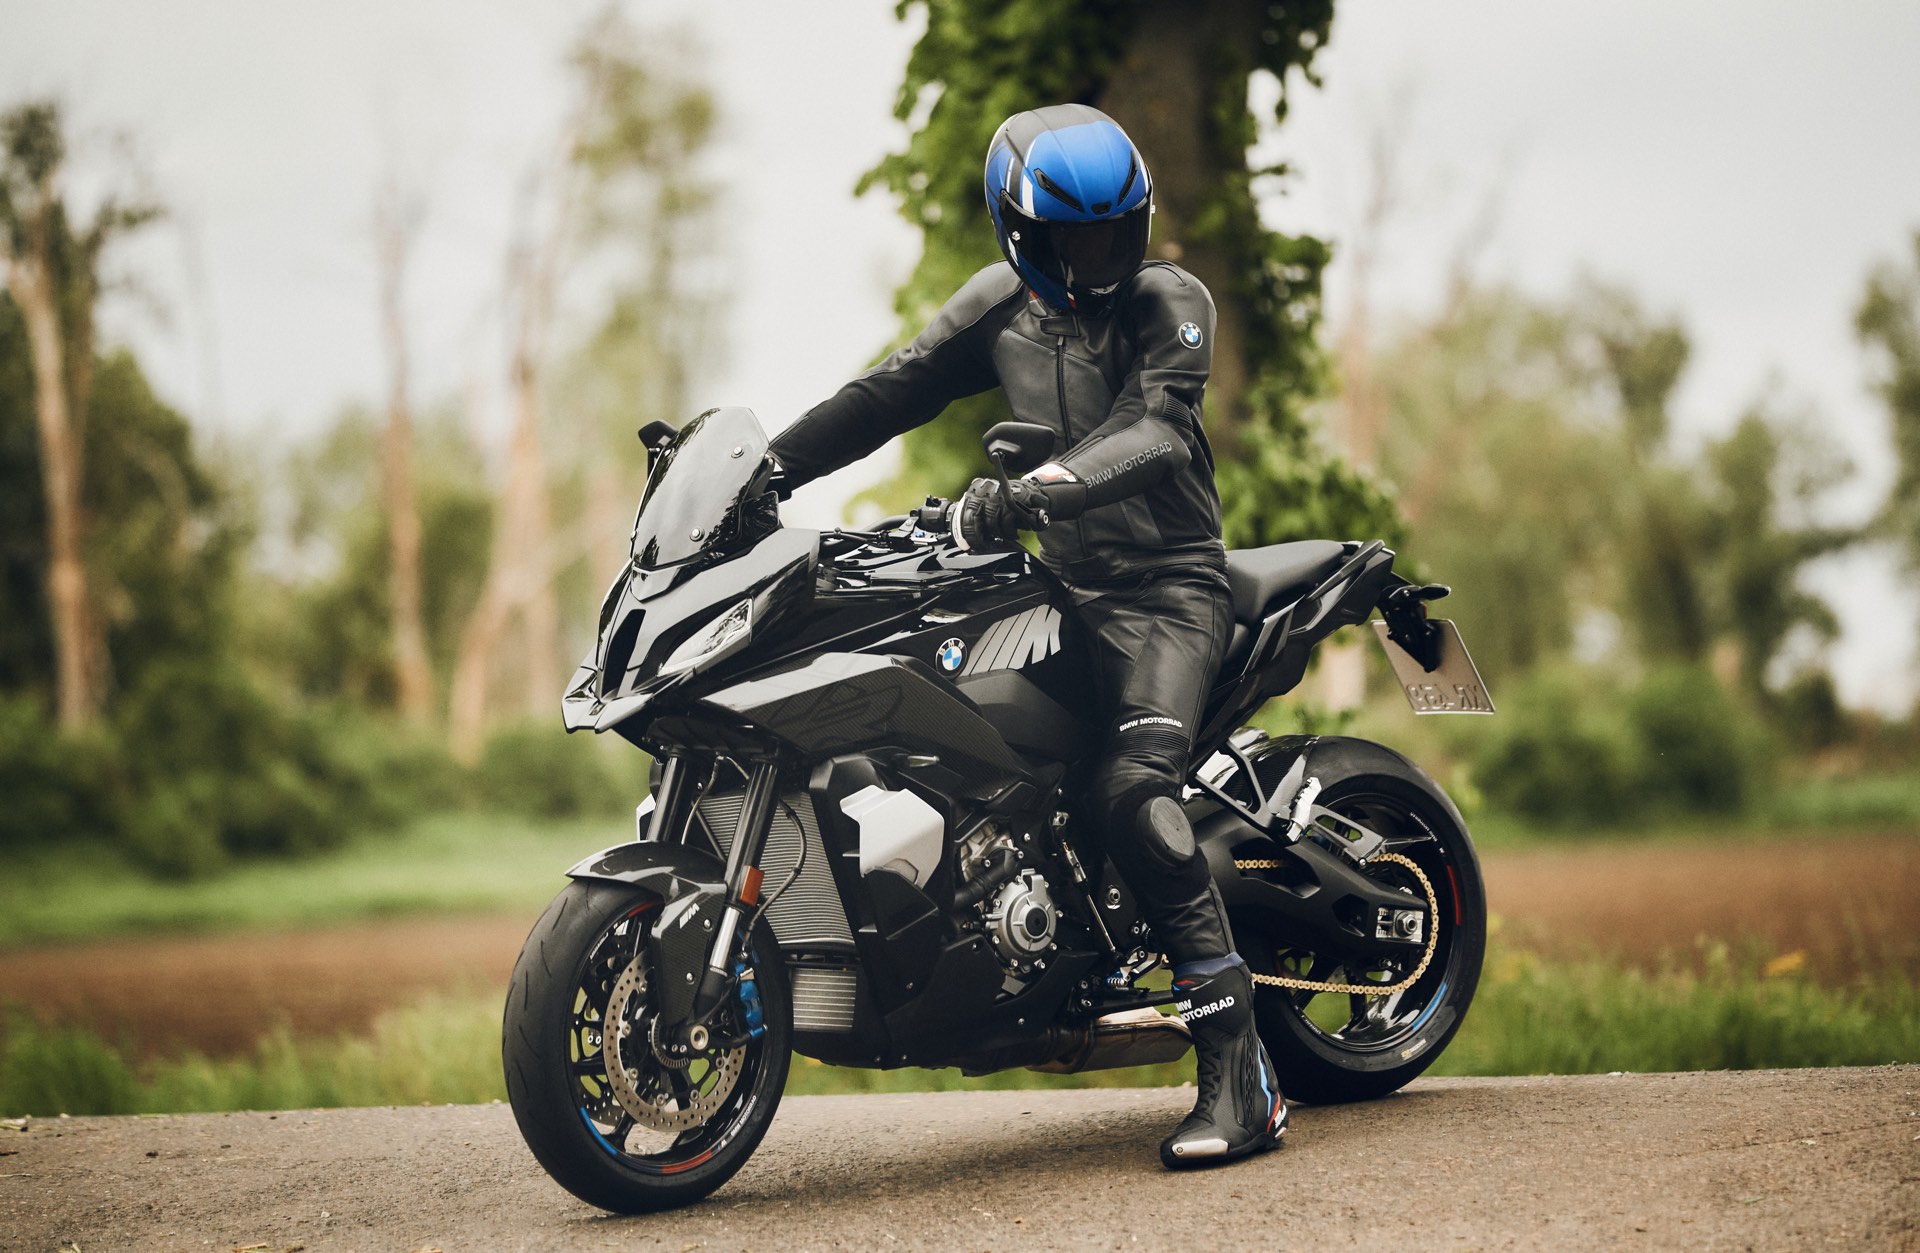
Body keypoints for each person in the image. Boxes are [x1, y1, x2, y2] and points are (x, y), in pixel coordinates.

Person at [768, 103, 1285, 1169]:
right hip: (1061, 585)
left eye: (1115, 233)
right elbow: (883, 395)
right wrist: (763, 473)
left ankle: (1243, 1072)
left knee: (1130, 791)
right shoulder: (996, 305)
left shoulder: (1170, 301)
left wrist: (1030, 491)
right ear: (1021, 233)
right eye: (1072, 241)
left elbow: (1156, 427)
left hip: (1171, 590)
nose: (1099, 259)